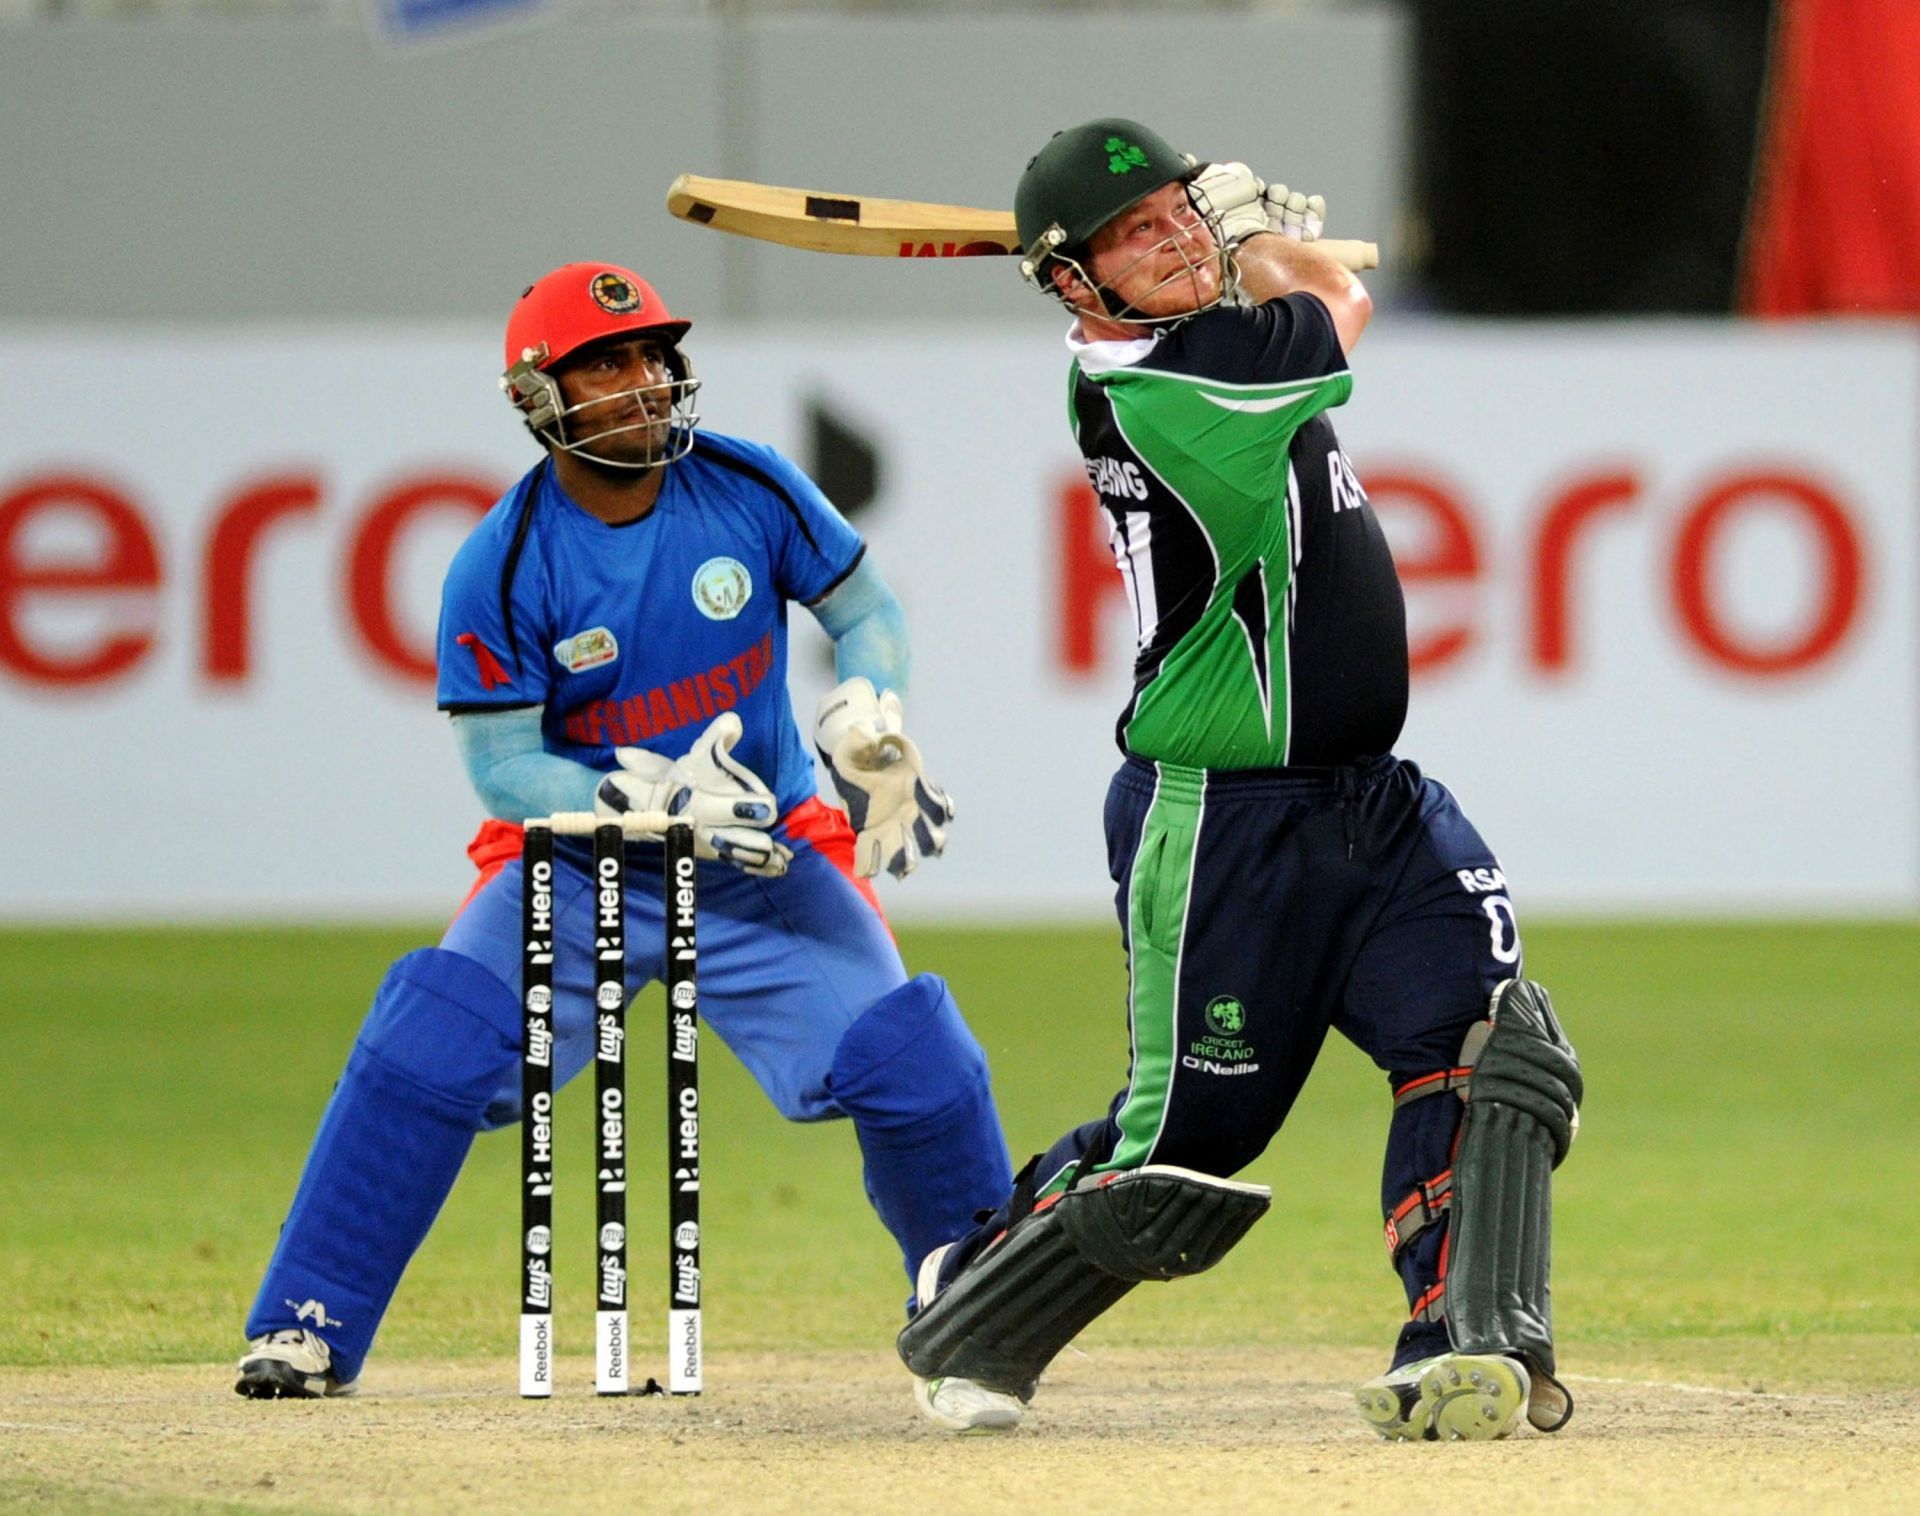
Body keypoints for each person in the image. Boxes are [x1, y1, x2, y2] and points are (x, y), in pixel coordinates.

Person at [235, 262, 1017, 1430]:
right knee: (427, 1041)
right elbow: (505, 769)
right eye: (606, 362)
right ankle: (308, 1320)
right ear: (538, 396)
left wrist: (871, 712)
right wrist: (639, 799)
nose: (643, 381)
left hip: (759, 860)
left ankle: (984, 1325)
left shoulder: (747, 483)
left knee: (912, 1055)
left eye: (652, 356)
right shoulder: (501, 560)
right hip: (574, 867)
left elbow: (867, 611)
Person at [896, 121, 1584, 1442]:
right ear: (1073, 283)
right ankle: (971, 1292)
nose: (1167, 236)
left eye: (1173, 212)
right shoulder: (1172, 387)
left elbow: (1302, 290)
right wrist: (1255, 231)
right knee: (1186, 1148)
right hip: (1222, 821)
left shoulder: (1209, 340)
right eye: (1131, 232)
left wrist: (1238, 236)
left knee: (1488, 1044)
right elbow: (1339, 296)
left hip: (1373, 801)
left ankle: (1457, 1339)